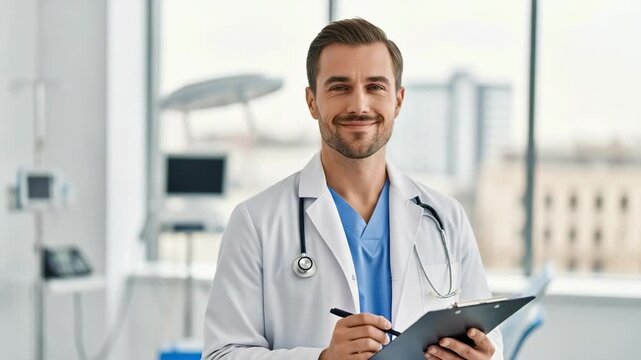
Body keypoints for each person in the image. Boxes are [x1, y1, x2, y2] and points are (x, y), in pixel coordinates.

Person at [203, 18, 503, 360]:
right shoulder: (255, 222)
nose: (359, 105)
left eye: (375, 86)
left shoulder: (446, 217)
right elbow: (221, 354)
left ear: (399, 100)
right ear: (312, 101)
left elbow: (491, 342)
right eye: (339, 87)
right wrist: (322, 359)